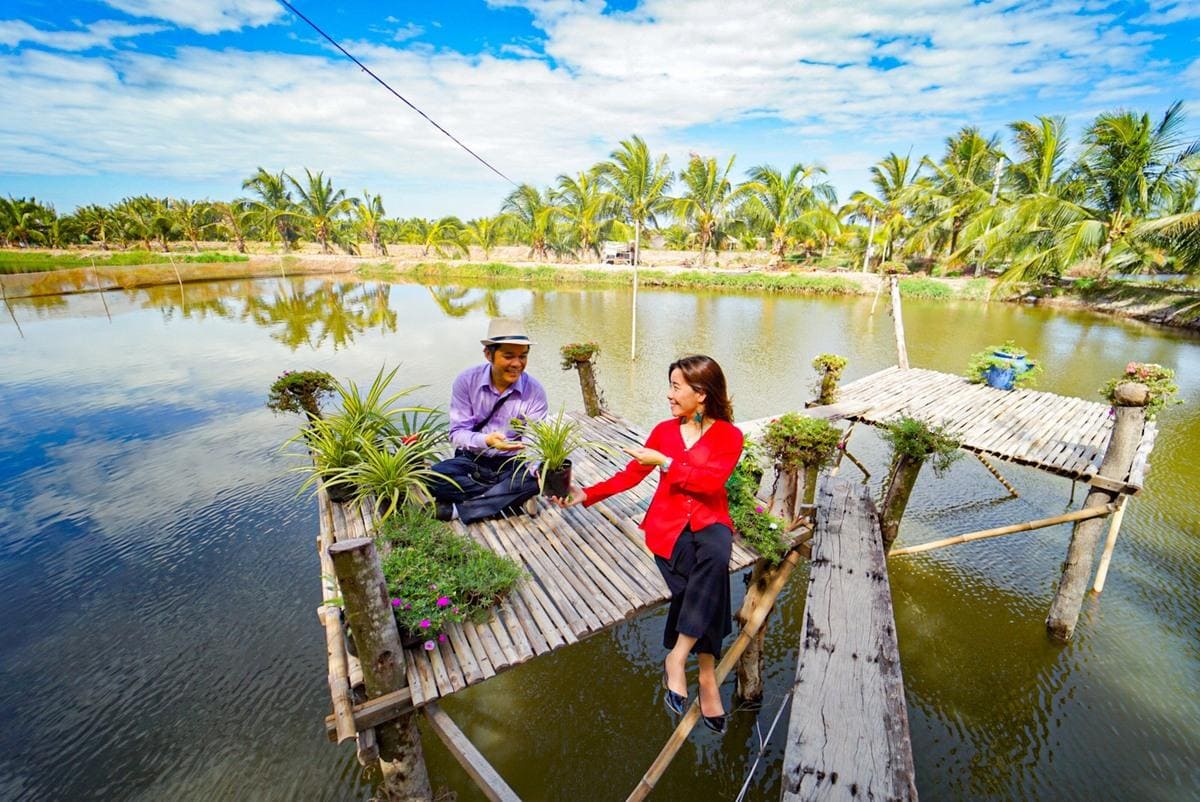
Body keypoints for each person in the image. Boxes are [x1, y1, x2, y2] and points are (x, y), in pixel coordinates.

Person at [558, 354, 742, 734]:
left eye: (676, 387)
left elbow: (710, 484)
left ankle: (678, 658)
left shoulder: (729, 436)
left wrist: (668, 463)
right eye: (670, 386)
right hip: (668, 525)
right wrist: (585, 494)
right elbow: (631, 475)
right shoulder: (662, 431)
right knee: (708, 581)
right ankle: (708, 676)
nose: (669, 395)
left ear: (702, 394)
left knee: (717, 553)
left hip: (710, 518)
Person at [427, 318, 549, 523]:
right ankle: (508, 498)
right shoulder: (466, 381)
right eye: (509, 356)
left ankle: (459, 510)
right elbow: (457, 433)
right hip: (472, 461)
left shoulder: (535, 391)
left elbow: (535, 442)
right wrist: (487, 441)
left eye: (523, 356)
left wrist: (536, 468)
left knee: (537, 481)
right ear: (488, 354)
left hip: (513, 464)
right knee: (431, 478)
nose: (517, 364)